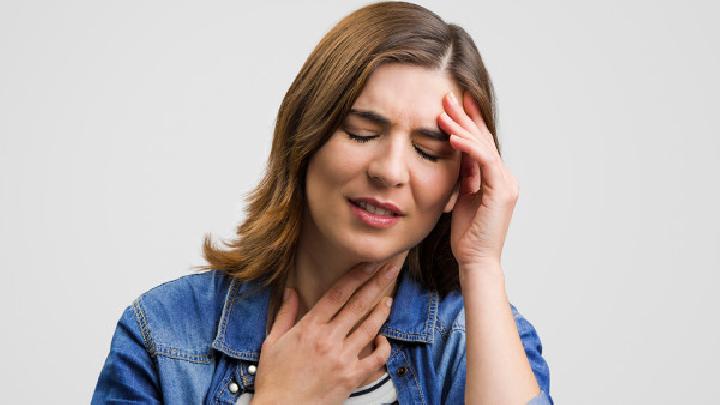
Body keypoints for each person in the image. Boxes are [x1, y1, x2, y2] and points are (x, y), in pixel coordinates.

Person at [91, 2, 553, 404]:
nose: (389, 171)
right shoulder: (164, 333)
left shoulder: (480, 338)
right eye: (361, 132)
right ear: (305, 136)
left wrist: (481, 264)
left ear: (459, 184)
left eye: (428, 151)